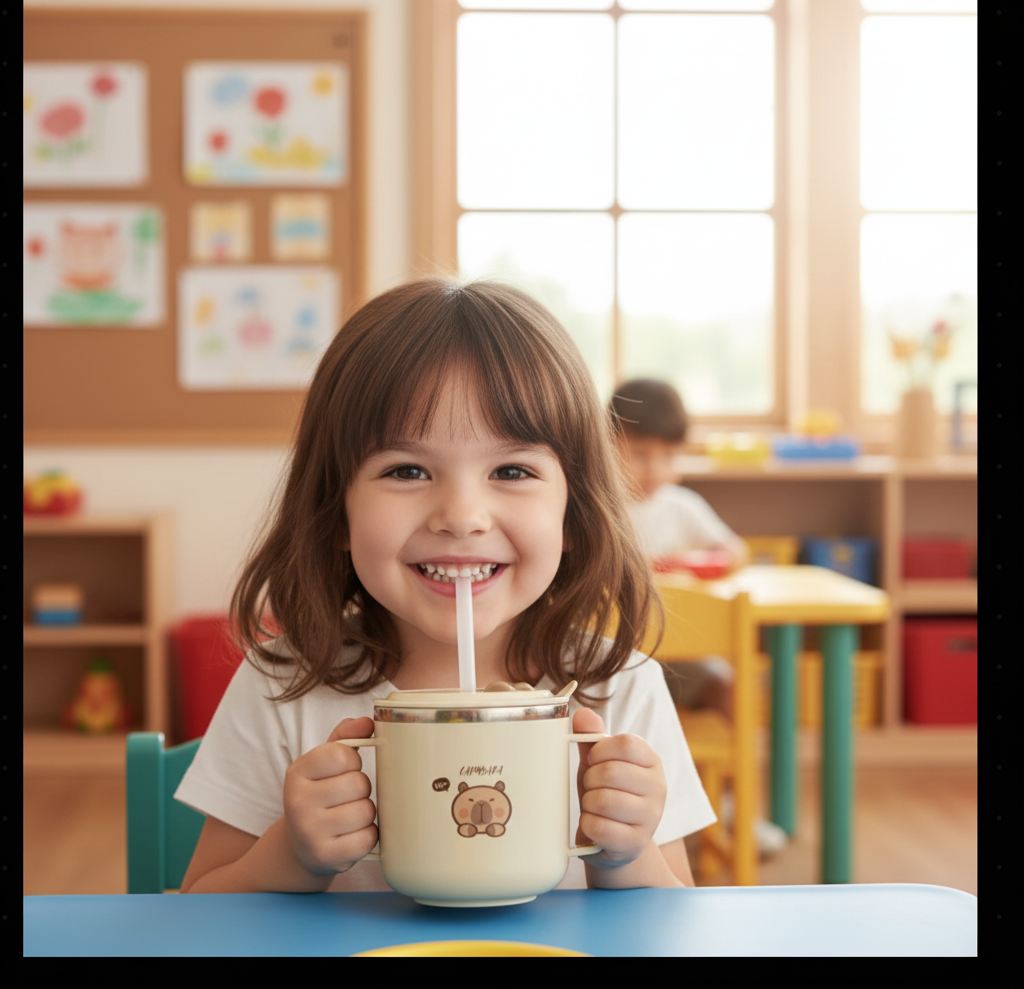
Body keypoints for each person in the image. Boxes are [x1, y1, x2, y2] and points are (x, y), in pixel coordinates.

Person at [175, 278, 717, 894]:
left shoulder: (619, 689)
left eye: (511, 470)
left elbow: (674, 918)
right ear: (335, 511)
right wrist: (291, 856)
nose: (461, 516)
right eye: (407, 470)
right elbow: (198, 910)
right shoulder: (282, 687)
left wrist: (625, 858)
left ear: (574, 514)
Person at [609, 377, 786, 857]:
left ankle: (735, 810)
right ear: (606, 445)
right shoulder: (600, 507)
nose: (656, 468)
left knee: (733, 686)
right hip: (614, 665)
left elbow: (735, 550)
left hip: (680, 661)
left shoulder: (680, 507)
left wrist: (701, 562)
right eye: (641, 454)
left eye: (669, 456)